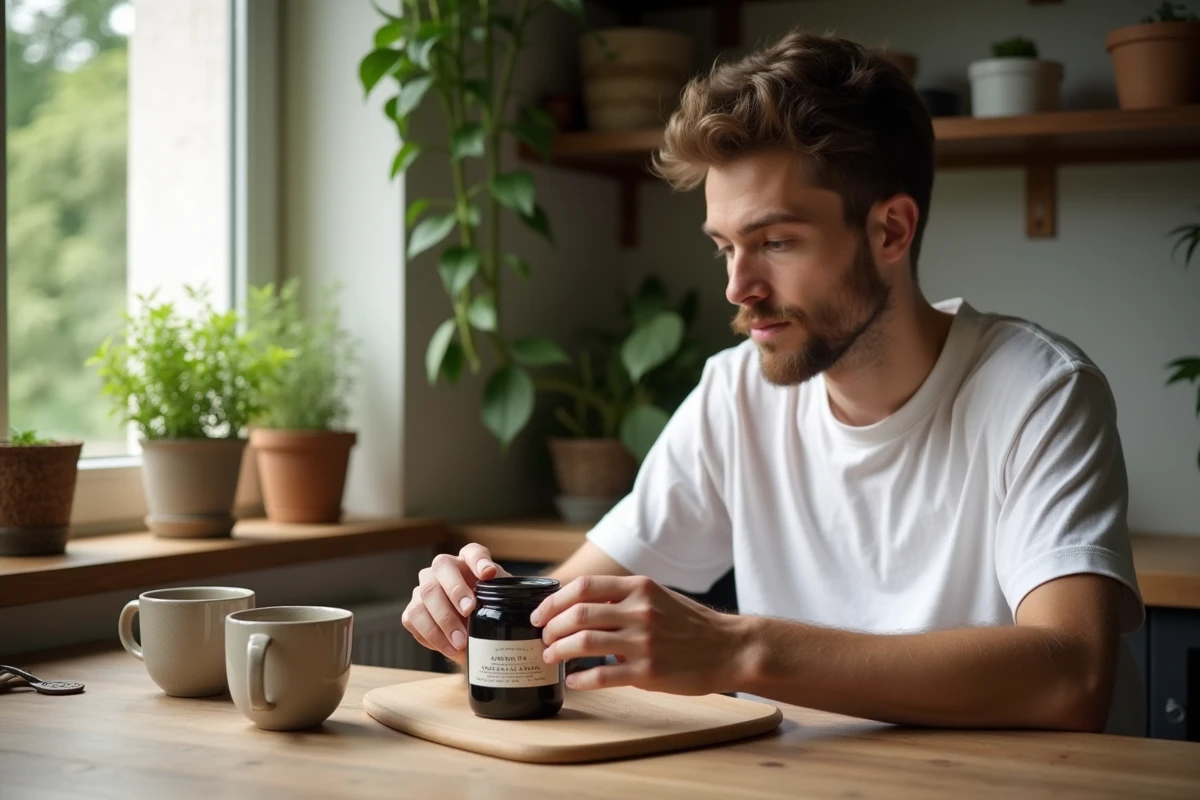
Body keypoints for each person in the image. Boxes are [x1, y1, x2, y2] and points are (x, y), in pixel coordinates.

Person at [402, 30, 1145, 735]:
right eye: (725, 246)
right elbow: (556, 613)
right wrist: (475, 615)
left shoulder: (1041, 394)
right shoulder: (734, 398)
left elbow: (1071, 677)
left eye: (776, 242)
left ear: (890, 230)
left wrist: (740, 650)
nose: (737, 286)